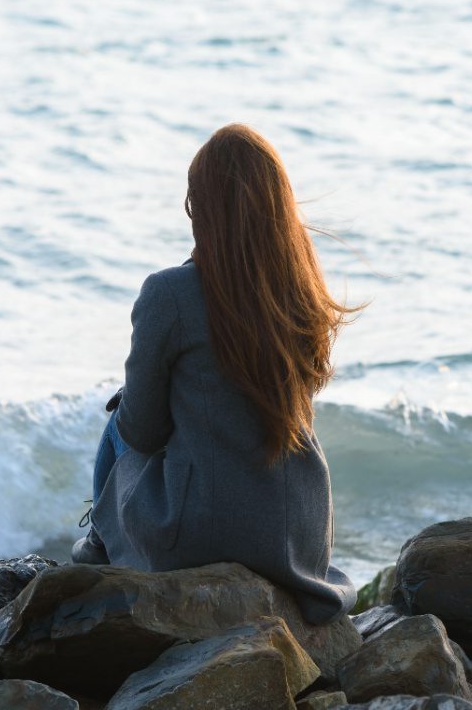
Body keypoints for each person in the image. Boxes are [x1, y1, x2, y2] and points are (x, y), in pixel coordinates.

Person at [73, 123, 362, 625]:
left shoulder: (170, 294)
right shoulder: (301, 292)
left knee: (120, 413)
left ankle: (99, 545)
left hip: (204, 532)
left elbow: (142, 431)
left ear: (201, 209)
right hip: (298, 536)